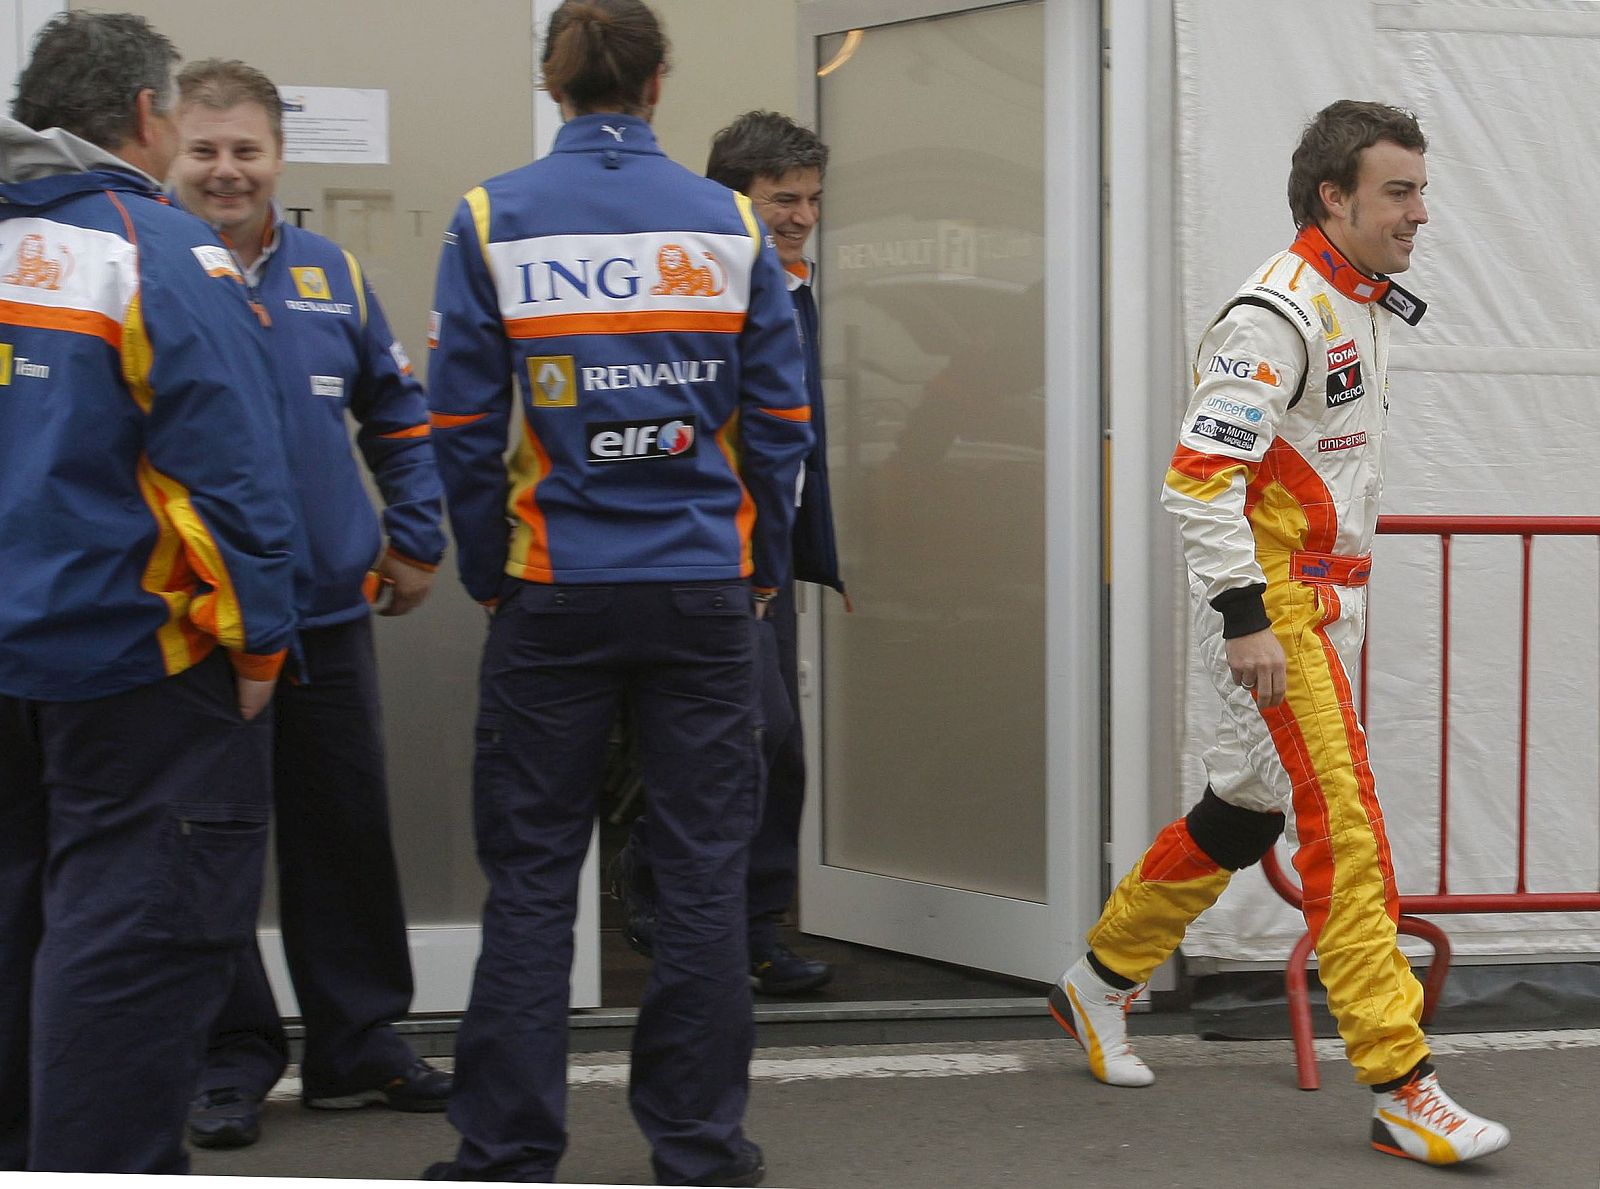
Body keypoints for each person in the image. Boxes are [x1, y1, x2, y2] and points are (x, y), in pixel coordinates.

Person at [1049, 100, 1511, 1166]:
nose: (1419, 213)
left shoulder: (1362, 300)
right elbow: (1197, 481)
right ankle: (1401, 1080)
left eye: (1419, 189)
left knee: (1243, 811)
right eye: (1398, 191)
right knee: (1343, 829)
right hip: (1276, 613)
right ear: (1332, 196)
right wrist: (1246, 617)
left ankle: (1098, 979)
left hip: (1322, 607)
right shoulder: (1276, 314)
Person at [422, 2, 812, 1184]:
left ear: (555, 87)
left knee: (536, 876)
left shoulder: (492, 215)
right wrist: (756, 569)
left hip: (554, 589)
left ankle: (505, 1151)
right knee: (699, 873)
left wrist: (492, 570)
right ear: (657, 88)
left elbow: (456, 428)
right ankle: (698, 1149)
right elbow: (783, 429)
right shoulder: (732, 225)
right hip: (699, 594)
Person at [0, 13, 297, 1173]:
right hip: (138, 662)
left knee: (20, 927)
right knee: (128, 947)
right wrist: (261, 646)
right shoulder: (157, 249)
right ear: (142, 117)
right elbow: (237, 476)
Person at [167, 58, 451, 1150]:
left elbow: (396, 408)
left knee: (344, 833)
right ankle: (224, 1057)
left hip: (329, 612)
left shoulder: (329, 272)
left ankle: (358, 1044)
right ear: (171, 153)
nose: (226, 171)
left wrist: (415, 537)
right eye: (205, 150)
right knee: (208, 848)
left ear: (279, 157)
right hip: (199, 625)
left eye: (246, 151)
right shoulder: (146, 267)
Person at [610, 110, 843, 996]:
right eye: (783, 198)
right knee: (753, 732)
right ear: (730, 199)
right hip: (709, 551)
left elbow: (796, 439)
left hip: (767, 557)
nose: (800, 215)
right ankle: (666, 888)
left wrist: (804, 547)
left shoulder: (793, 284)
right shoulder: (690, 289)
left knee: (779, 749)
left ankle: (753, 929)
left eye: (812, 199)